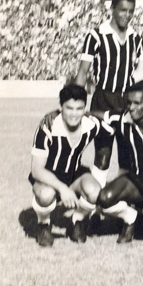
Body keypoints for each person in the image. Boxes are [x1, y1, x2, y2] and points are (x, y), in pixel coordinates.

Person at [74, 0, 143, 187]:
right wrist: (76, 102)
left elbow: (141, 72)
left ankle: (121, 204)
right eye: (123, 10)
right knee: (103, 155)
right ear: (112, 9)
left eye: (131, 11)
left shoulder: (136, 38)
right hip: (103, 99)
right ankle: (97, 207)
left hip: (126, 103)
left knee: (127, 155)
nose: (127, 15)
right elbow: (83, 72)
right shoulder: (96, 35)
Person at [95, 83, 143, 244]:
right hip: (135, 180)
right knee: (104, 198)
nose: (131, 107)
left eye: (137, 103)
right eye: (129, 103)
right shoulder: (122, 119)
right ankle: (131, 218)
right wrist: (61, 113)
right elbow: (98, 114)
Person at [29, 85, 103, 247]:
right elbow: (36, 170)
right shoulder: (48, 127)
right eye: (69, 108)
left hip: (74, 173)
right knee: (46, 194)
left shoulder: (92, 124)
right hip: (48, 175)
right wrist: (63, 188)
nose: (74, 114)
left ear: (85, 107)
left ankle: (77, 221)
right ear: (60, 106)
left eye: (79, 108)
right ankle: (44, 224)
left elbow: (114, 118)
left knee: (95, 191)